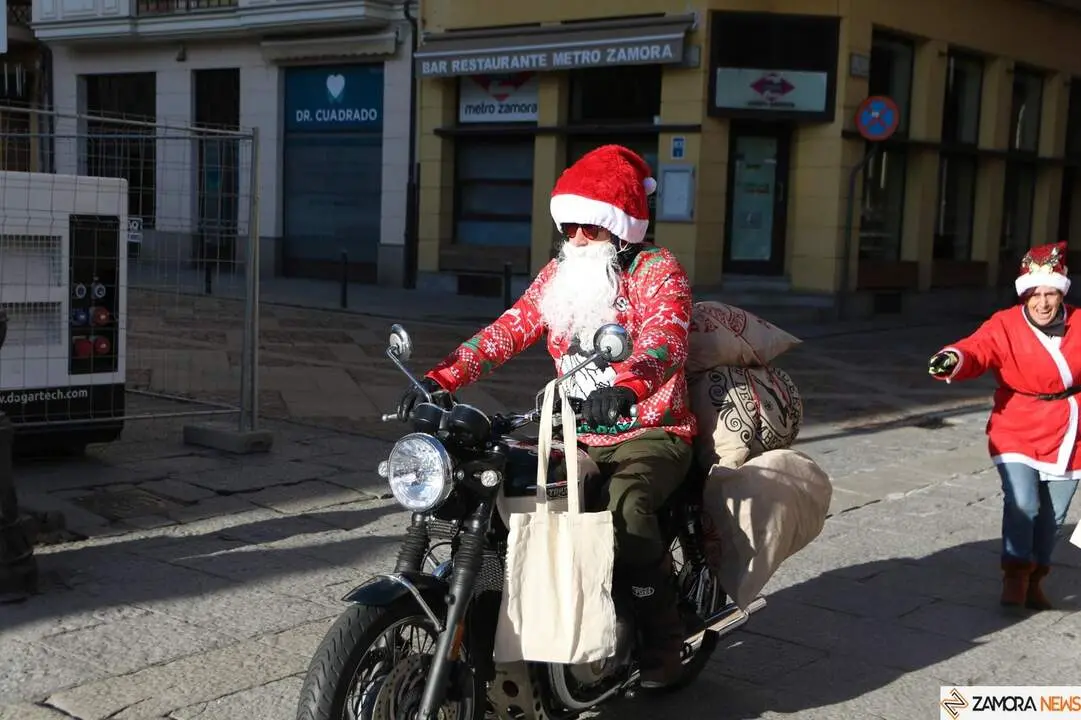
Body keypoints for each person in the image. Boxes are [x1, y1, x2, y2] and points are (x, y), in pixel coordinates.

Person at [396, 144, 696, 688]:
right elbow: (508, 328)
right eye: (570, 225)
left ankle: (663, 639)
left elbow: (664, 341)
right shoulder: (561, 272)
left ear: (623, 226)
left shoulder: (657, 271)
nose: (578, 237)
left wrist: (627, 387)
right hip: (571, 430)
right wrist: (441, 379)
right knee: (494, 491)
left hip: (648, 430)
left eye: (593, 226)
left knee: (627, 511)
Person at [928, 241, 1080, 612]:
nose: (1043, 303)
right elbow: (977, 349)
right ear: (1024, 294)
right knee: (1024, 503)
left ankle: (1035, 578)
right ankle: (1014, 574)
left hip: (1070, 431)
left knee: (1053, 517)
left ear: (1061, 293)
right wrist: (954, 358)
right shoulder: (1004, 324)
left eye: (1050, 294)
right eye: (1034, 294)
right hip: (1017, 423)